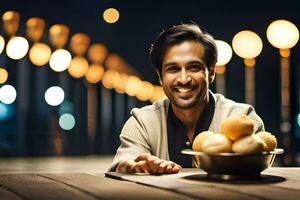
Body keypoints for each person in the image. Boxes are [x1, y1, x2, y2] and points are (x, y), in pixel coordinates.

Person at [109, 23, 264, 174]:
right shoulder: (142, 122)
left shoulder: (243, 119)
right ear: (160, 76)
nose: (183, 79)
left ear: (211, 72)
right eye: (173, 69)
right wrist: (133, 167)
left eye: (194, 67)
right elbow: (125, 163)